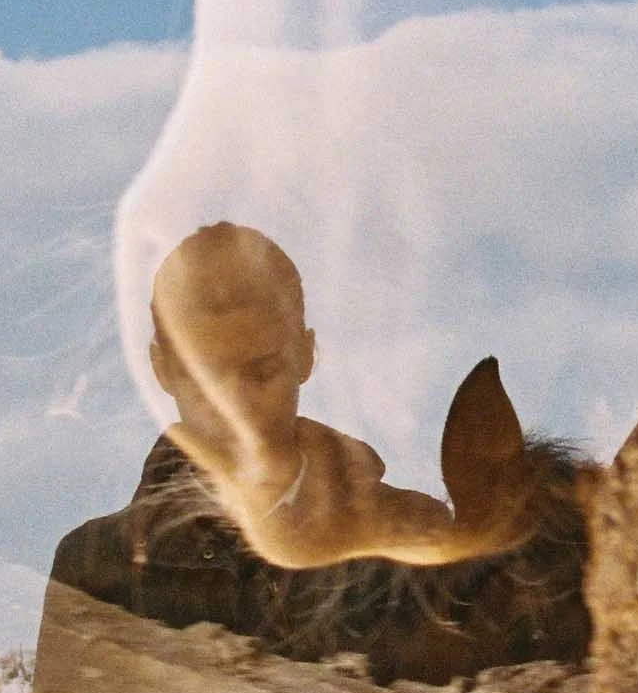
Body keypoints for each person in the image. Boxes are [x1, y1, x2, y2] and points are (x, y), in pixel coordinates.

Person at [145, 221, 459, 568]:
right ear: (162, 370)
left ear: (306, 355)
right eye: (205, 379)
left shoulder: (414, 535)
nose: (236, 405)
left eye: (262, 372)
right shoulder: (93, 572)